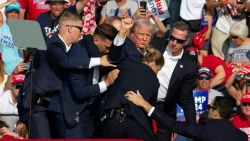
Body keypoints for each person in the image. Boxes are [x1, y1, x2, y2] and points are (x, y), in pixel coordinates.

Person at [51, 22, 119, 138]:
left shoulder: (95, 52)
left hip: (85, 111)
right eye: (107, 47)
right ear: (96, 39)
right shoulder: (80, 52)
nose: (108, 52)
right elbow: (80, 92)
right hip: (69, 112)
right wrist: (106, 82)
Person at [98, 47, 164, 141]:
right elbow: (150, 108)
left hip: (112, 118)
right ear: (153, 64)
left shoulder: (125, 64)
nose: (156, 73)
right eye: (158, 70)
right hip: (135, 122)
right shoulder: (154, 80)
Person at [125, 92, 248, 141]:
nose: (208, 110)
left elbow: (174, 125)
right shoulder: (241, 136)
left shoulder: (206, 128)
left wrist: (145, 105)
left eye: (209, 108)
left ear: (216, 112)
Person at [0, 1, 23, 76]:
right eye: (10, 12)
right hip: (4, 73)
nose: (13, 14)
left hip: (20, 71)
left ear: (19, 14)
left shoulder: (24, 29)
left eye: (15, 12)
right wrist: (5, 4)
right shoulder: (1, 27)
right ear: (5, 14)